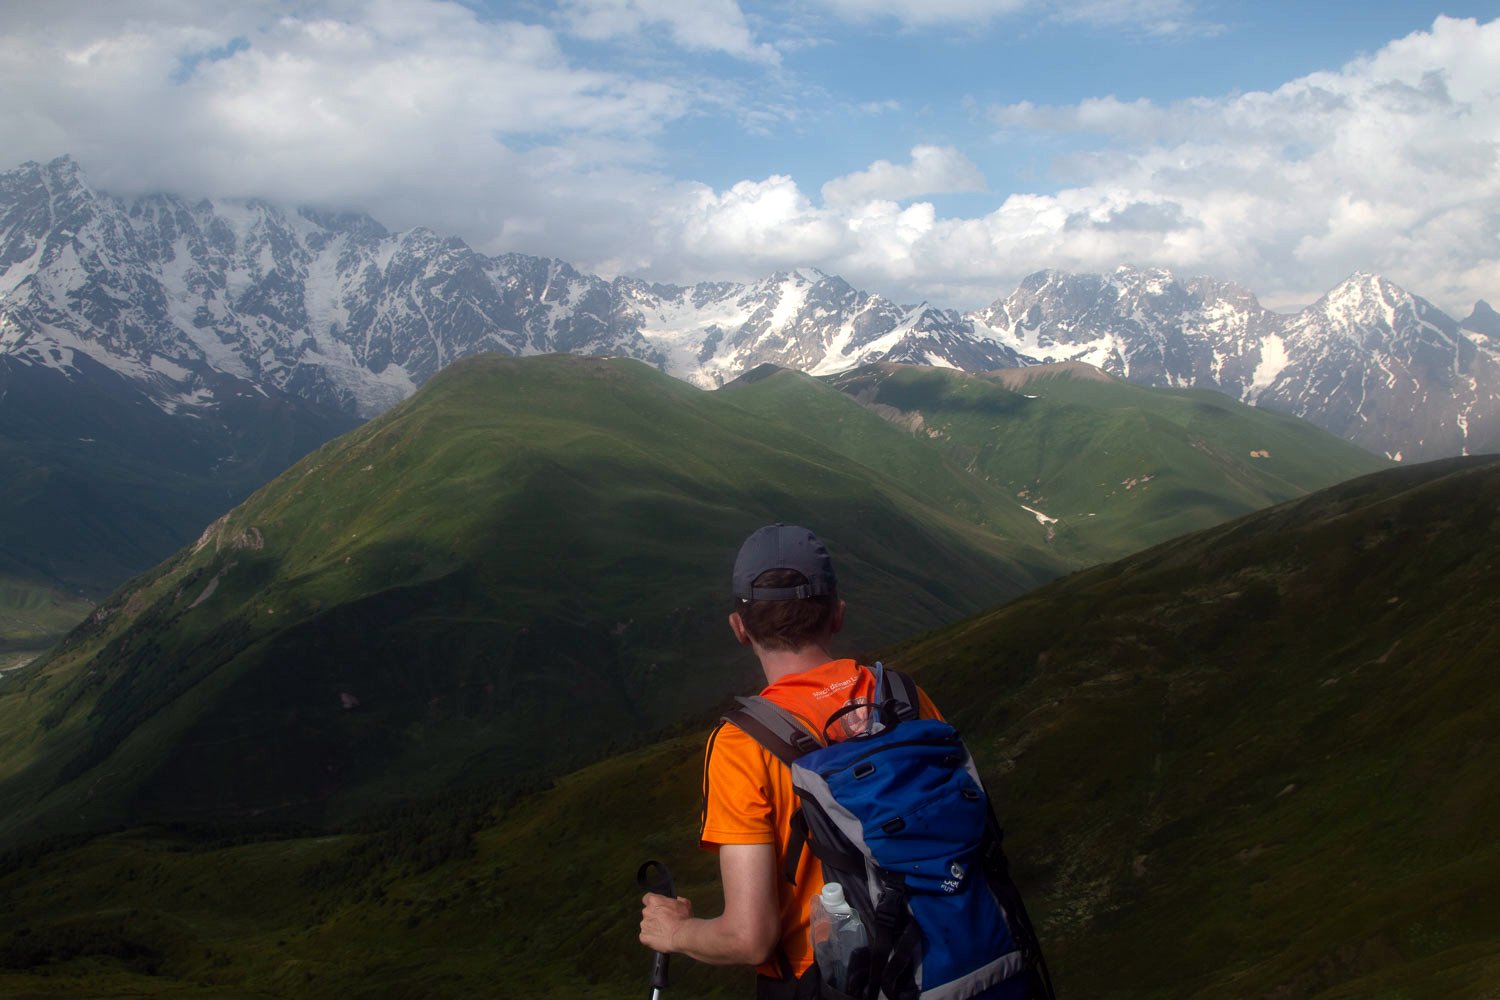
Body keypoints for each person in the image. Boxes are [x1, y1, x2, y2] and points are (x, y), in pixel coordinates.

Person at [638, 523, 944, 999]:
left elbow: (750, 937)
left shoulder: (743, 744)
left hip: (828, 980)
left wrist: (674, 932)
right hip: (946, 955)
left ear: (739, 628)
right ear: (837, 615)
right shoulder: (903, 696)